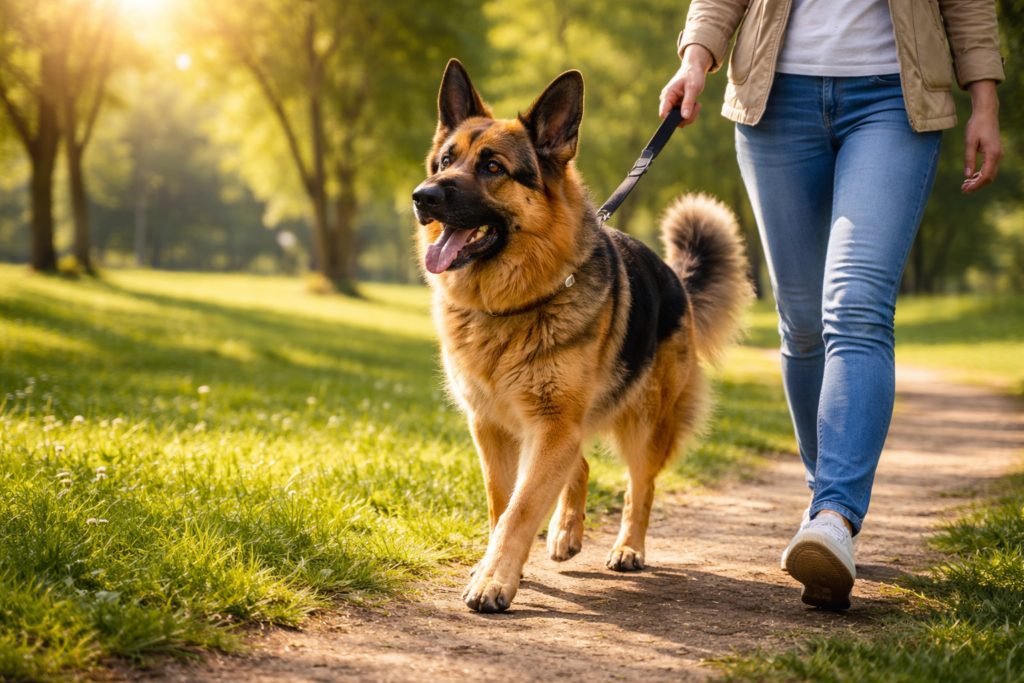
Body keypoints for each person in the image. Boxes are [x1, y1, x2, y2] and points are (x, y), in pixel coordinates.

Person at [659, 0, 1005, 609]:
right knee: (802, 322)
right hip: (775, 99)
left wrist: (985, 99)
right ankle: (825, 504)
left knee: (856, 307)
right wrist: (695, 58)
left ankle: (834, 517)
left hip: (894, 98)